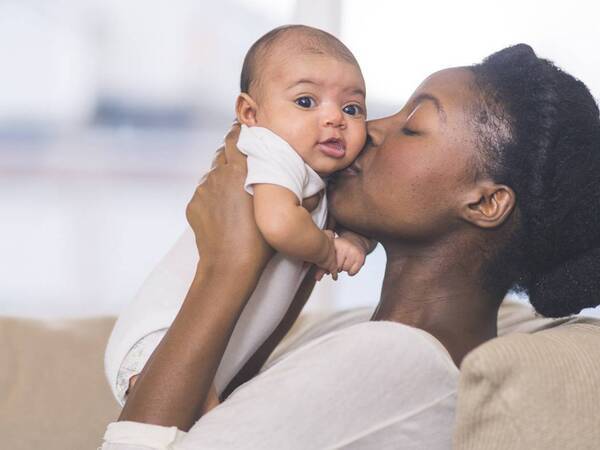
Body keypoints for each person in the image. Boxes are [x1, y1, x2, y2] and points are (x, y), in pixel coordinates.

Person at [102, 44, 600, 449]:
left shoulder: (394, 358)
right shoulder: (375, 334)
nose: (370, 130)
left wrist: (226, 266)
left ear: (486, 202)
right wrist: (292, 256)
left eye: (413, 126)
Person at [104, 24, 376, 413]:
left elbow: (359, 220)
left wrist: (359, 241)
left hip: (213, 348)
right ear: (250, 113)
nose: (335, 118)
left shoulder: (319, 175)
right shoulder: (269, 148)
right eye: (305, 101)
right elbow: (280, 224)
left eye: (352, 108)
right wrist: (330, 251)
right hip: (158, 340)